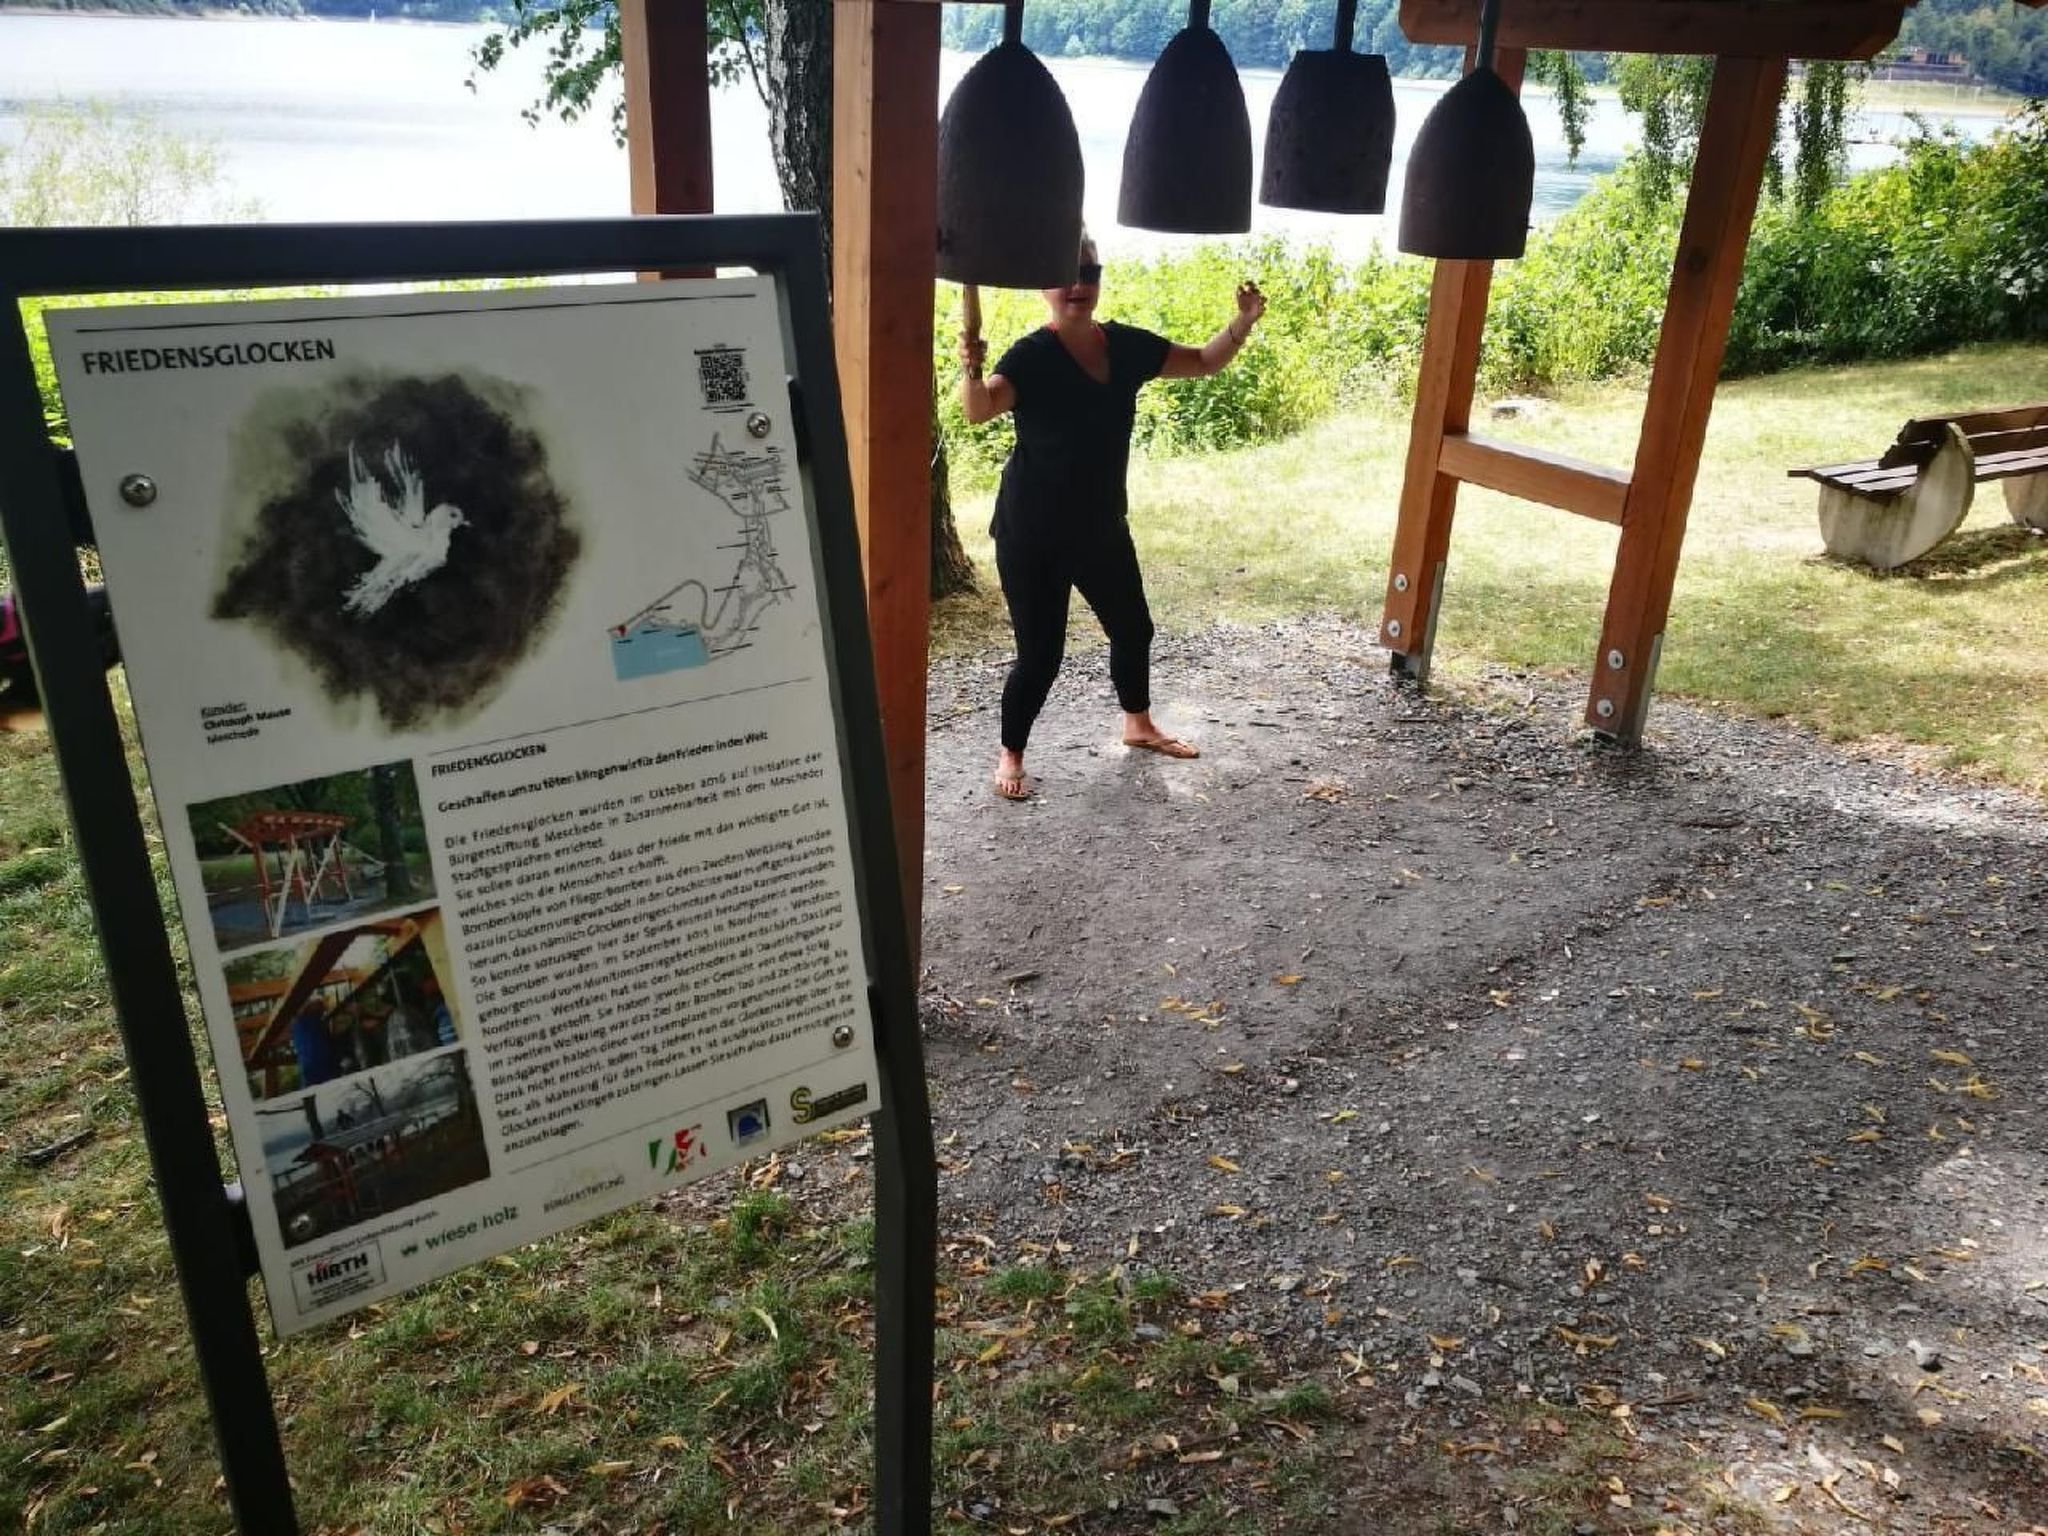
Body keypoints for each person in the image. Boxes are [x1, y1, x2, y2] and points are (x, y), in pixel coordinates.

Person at [959, 234, 1266, 799]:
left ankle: (1138, 725)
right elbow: (979, 411)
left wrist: (1243, 322)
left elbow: (1201, 361)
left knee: (1133, 629)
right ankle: (1011, 755)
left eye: (1089, 271)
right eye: (1065, 272)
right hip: (1033, 532)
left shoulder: (1124, 346)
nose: (1078, 283)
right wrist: (971, 369)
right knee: (1041, 657)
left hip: (1099, 523)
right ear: (1043, 286)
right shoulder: (1030, 356)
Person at [290, 995, 341, 1088]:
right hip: (311, 1066)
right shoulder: (300, 1020)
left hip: (326, 1066)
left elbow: (331, 1039)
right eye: (318, 1005)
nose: (320, 1008)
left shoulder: (320, 1023)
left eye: (320, 1006)